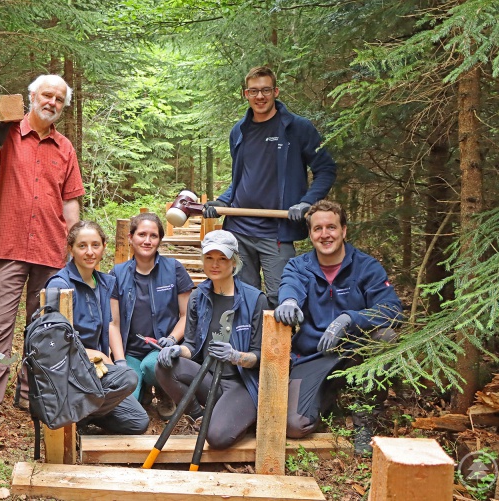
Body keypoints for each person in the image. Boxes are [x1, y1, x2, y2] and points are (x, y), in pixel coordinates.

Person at [0, 74, 84, 436]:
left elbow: (70, 204)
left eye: (59, 99)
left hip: (51, 251)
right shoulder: (6, 132)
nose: (52, 103)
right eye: (47, 95)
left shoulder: (65, 149)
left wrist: (74, 251)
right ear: (31, 96)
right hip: (9, 249)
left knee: (44, 331)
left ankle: (32, 396)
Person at [273, 200, 403, 455]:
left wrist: (350, 319)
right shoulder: (299, 266)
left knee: (386, 337)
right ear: (310, 234)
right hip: (313, 354)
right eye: (317, 229)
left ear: (344, 230)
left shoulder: (366, 266)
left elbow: (392, 309)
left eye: (331, 227)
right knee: (295, 426)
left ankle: (366, 422)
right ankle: (328, 397)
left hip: (357, 351)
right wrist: (288, 301)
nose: (325, 234)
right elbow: (290, 286)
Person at [204, 65, 337, 308]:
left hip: (277, 232)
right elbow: (241, 178)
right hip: (239, 230)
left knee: (282, 298)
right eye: (253, 91)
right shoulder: (239, 131)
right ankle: (247, 347)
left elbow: (326, 169)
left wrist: (307, 203)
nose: (260, 96)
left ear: (275, 91)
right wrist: (223, 201)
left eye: (265, 90)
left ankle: (284, 347)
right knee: (243, 298)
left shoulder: (297, 128)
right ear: (246, 94)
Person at [156, 230, 267, 450]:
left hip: (241, 383)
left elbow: (262, 356)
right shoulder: (199, 296)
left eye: (222, 259)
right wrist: (177, 350)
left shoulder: (255, 299)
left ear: (234, 262)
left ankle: (238, 414)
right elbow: (192, 345)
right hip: (208, 377)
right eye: (209, 258)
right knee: (163, 367)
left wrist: (236, 356)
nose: (215, 265)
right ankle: (199, 416)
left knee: (216, 438)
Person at [46, 221, 150, 434]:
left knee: (138, 421)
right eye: (82, 246)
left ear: (104, 246)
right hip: (69, 373)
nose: (90, 252)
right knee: (129, 378)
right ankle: (72, 413)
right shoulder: (60, 285)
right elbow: (53, 341)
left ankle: (84, 417)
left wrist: (119, 361)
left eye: (95, 245)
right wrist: (92, 354)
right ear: (70, 249)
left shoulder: (105, 283)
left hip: (97, 373)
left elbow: (111, 323)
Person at [109, 213, 194, 419]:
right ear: (130, 238)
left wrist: (173, 339)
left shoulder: (174, 269)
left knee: (151, 365)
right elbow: (113, 323)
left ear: (160, 240)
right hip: (131, 352)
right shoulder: (117, 273)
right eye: (142, 234)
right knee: (127, 405)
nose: (147, 241)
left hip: (163, 350)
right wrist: (120, 361)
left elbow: (187, 316)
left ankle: (166, 392)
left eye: (153, 236)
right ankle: (144, 387)